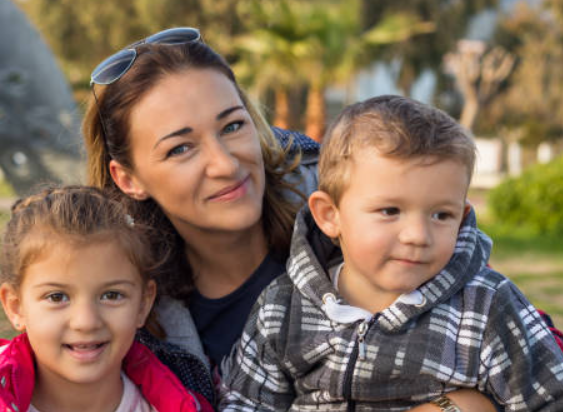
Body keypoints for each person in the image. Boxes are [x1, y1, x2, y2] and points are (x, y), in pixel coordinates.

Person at [82, 27, 500, 410]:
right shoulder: (128, 309)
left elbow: (507, 359)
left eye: (232, 126)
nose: (225, 165)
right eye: (180, 149)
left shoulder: (369, 216)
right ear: (129, 179)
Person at [220, 95, 563, 411]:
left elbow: (551, 398)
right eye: (390, 211)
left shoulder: (485, 306)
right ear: (329, 215)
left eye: (441, 215)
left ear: (462, 217)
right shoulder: (282, 308)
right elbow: (247, 403)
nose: (417, 236)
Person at [0, 185, 214, 412]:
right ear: (16, 306)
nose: (86, 322)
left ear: (143, 303)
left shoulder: (175, 404)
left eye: (112, 295)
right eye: (57, 296)